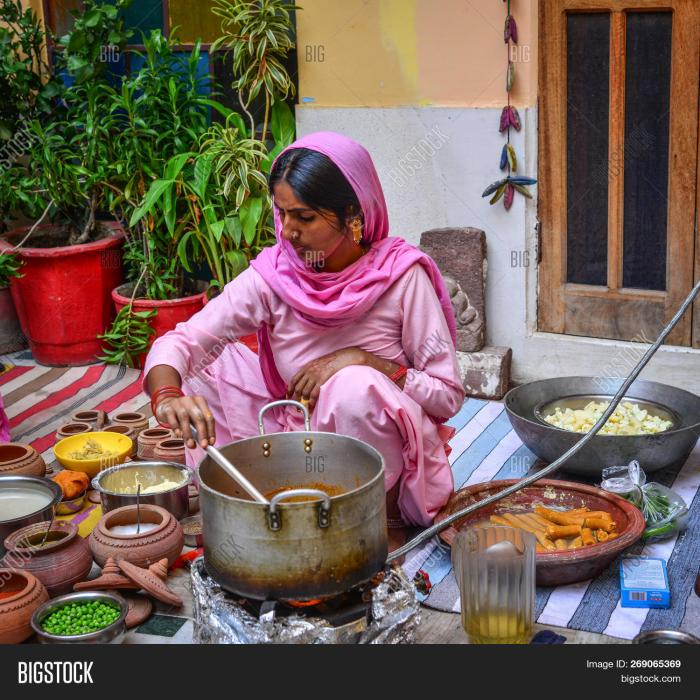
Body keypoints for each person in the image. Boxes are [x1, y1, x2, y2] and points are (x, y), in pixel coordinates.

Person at [143, 131, 464, 547]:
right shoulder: (276, 275)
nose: (288, 231)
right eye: (282, 212)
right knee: (207, 366)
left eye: (305, 217)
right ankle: (246, 500)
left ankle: (377, 524)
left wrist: (364, 361)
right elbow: (186, 340)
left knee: (353, 386)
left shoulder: (402, 279)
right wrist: (168, 395)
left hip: (379, 456)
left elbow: (447, 397)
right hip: (293, 431)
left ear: (353, 215)